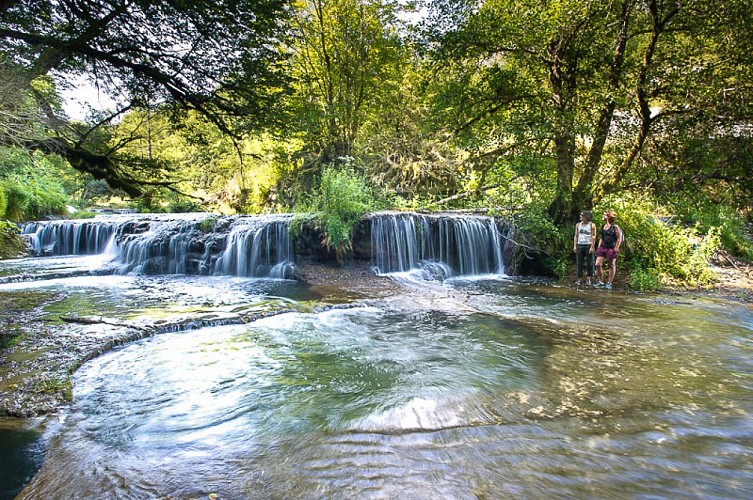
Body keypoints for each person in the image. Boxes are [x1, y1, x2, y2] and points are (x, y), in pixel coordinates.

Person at [594, 210, 622, 290]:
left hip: (611, 248)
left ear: (608, 217)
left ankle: (609, 283)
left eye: (604, 215)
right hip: (603, 247)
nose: (602, 216)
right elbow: (602, 237)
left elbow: (619, 238)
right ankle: (601, 281)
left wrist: (616, 248)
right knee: (598, 264)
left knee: (611, 265)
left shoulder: (615, 226)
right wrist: (599, 246)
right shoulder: (603, 226)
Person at [573, 210, 596, 286]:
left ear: (586, 217)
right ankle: (579, 278)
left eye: (582, 215)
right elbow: (576, 235)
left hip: (588, 244)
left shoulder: (592, 225)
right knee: (579, 263)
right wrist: (575, 245)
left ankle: (589, 278)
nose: (580, 216)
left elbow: (593, 236)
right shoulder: (578, 225)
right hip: (580, 244)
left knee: (590, 263)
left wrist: (592, 246)